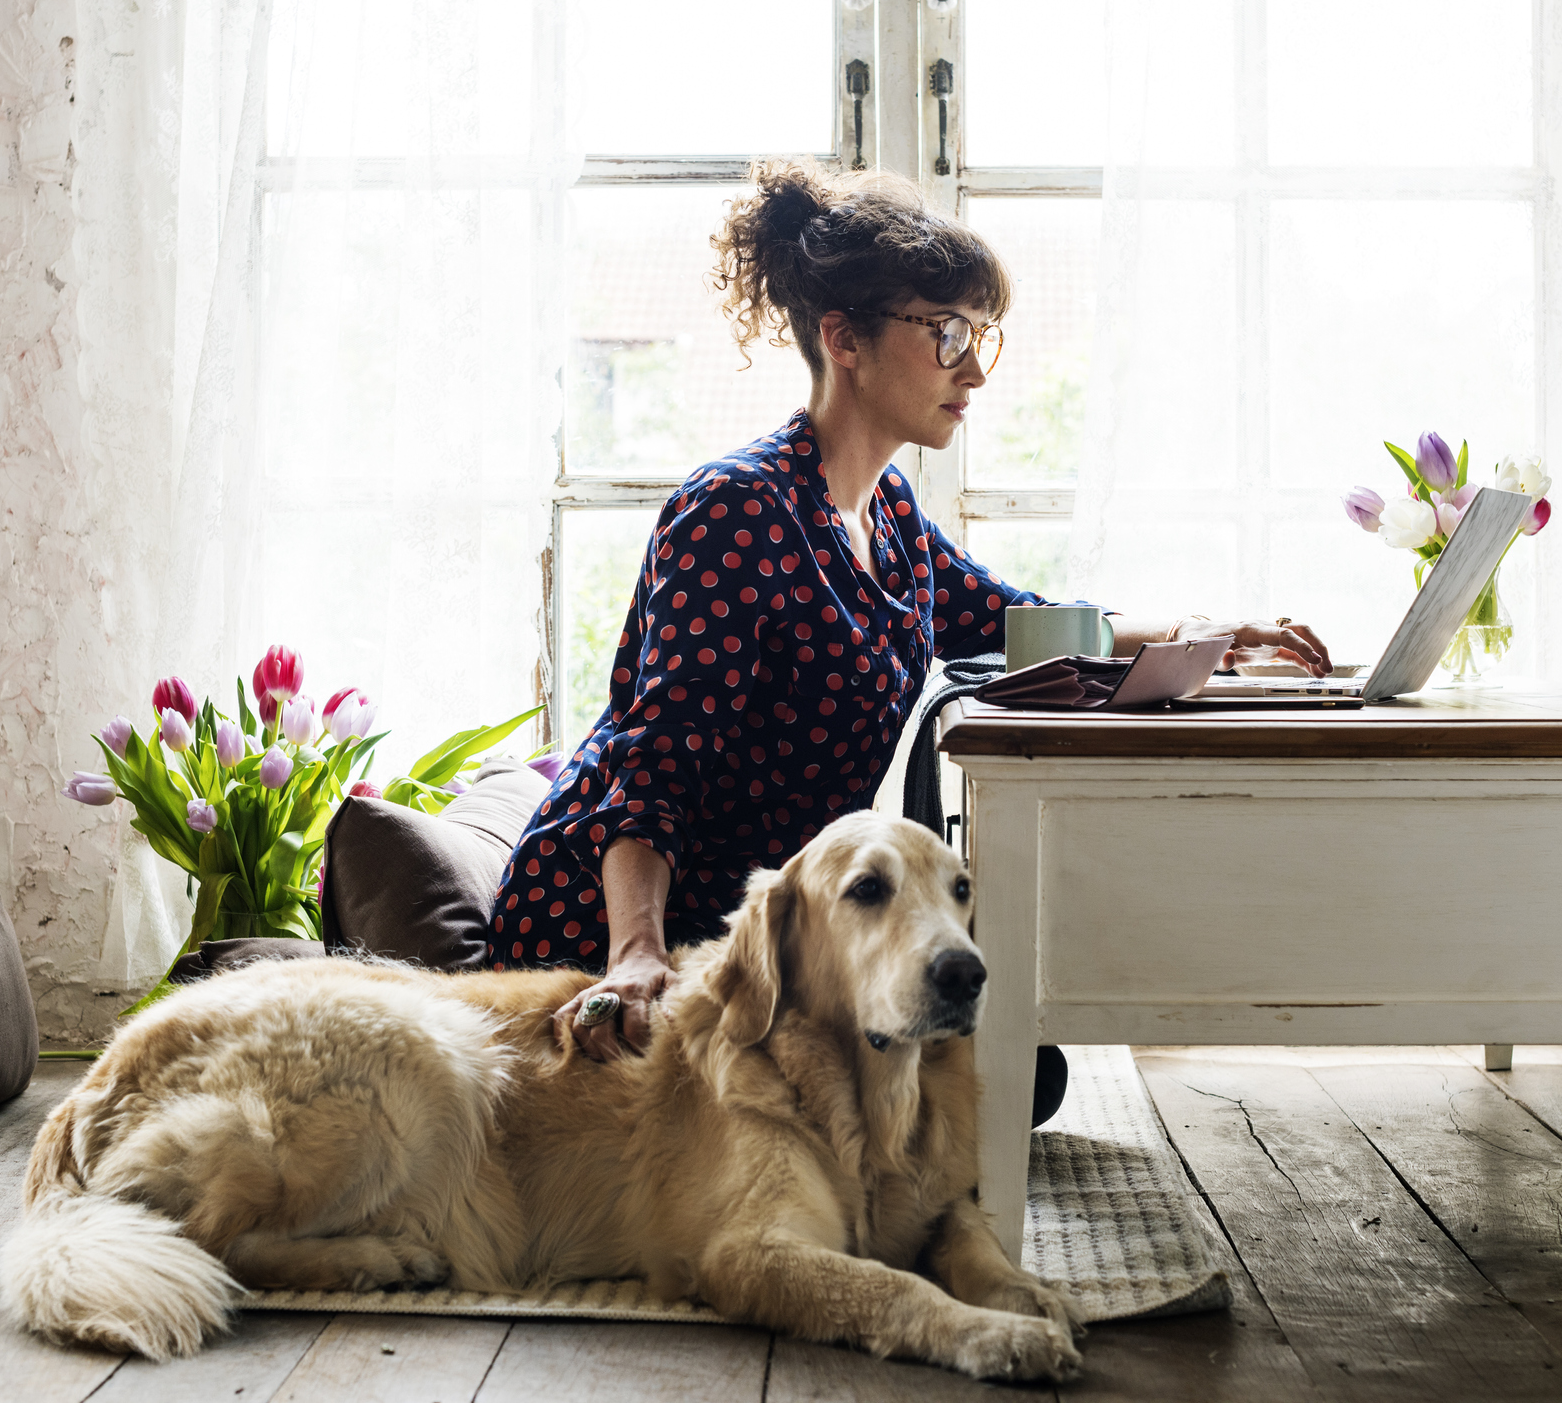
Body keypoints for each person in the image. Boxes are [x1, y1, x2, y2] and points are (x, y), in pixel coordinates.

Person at [488, 161, 1331, 1062]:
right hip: (606, 932)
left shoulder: (887, 515)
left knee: (1011, 1062)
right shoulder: (735, 511)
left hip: (776, 940)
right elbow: (653, 763)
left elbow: (1020, 621)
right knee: (992, 1069)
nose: (972, 366)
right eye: (948, 333)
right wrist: (635, 955)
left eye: (981, 336)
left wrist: (1209, 633)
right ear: (844, 338)